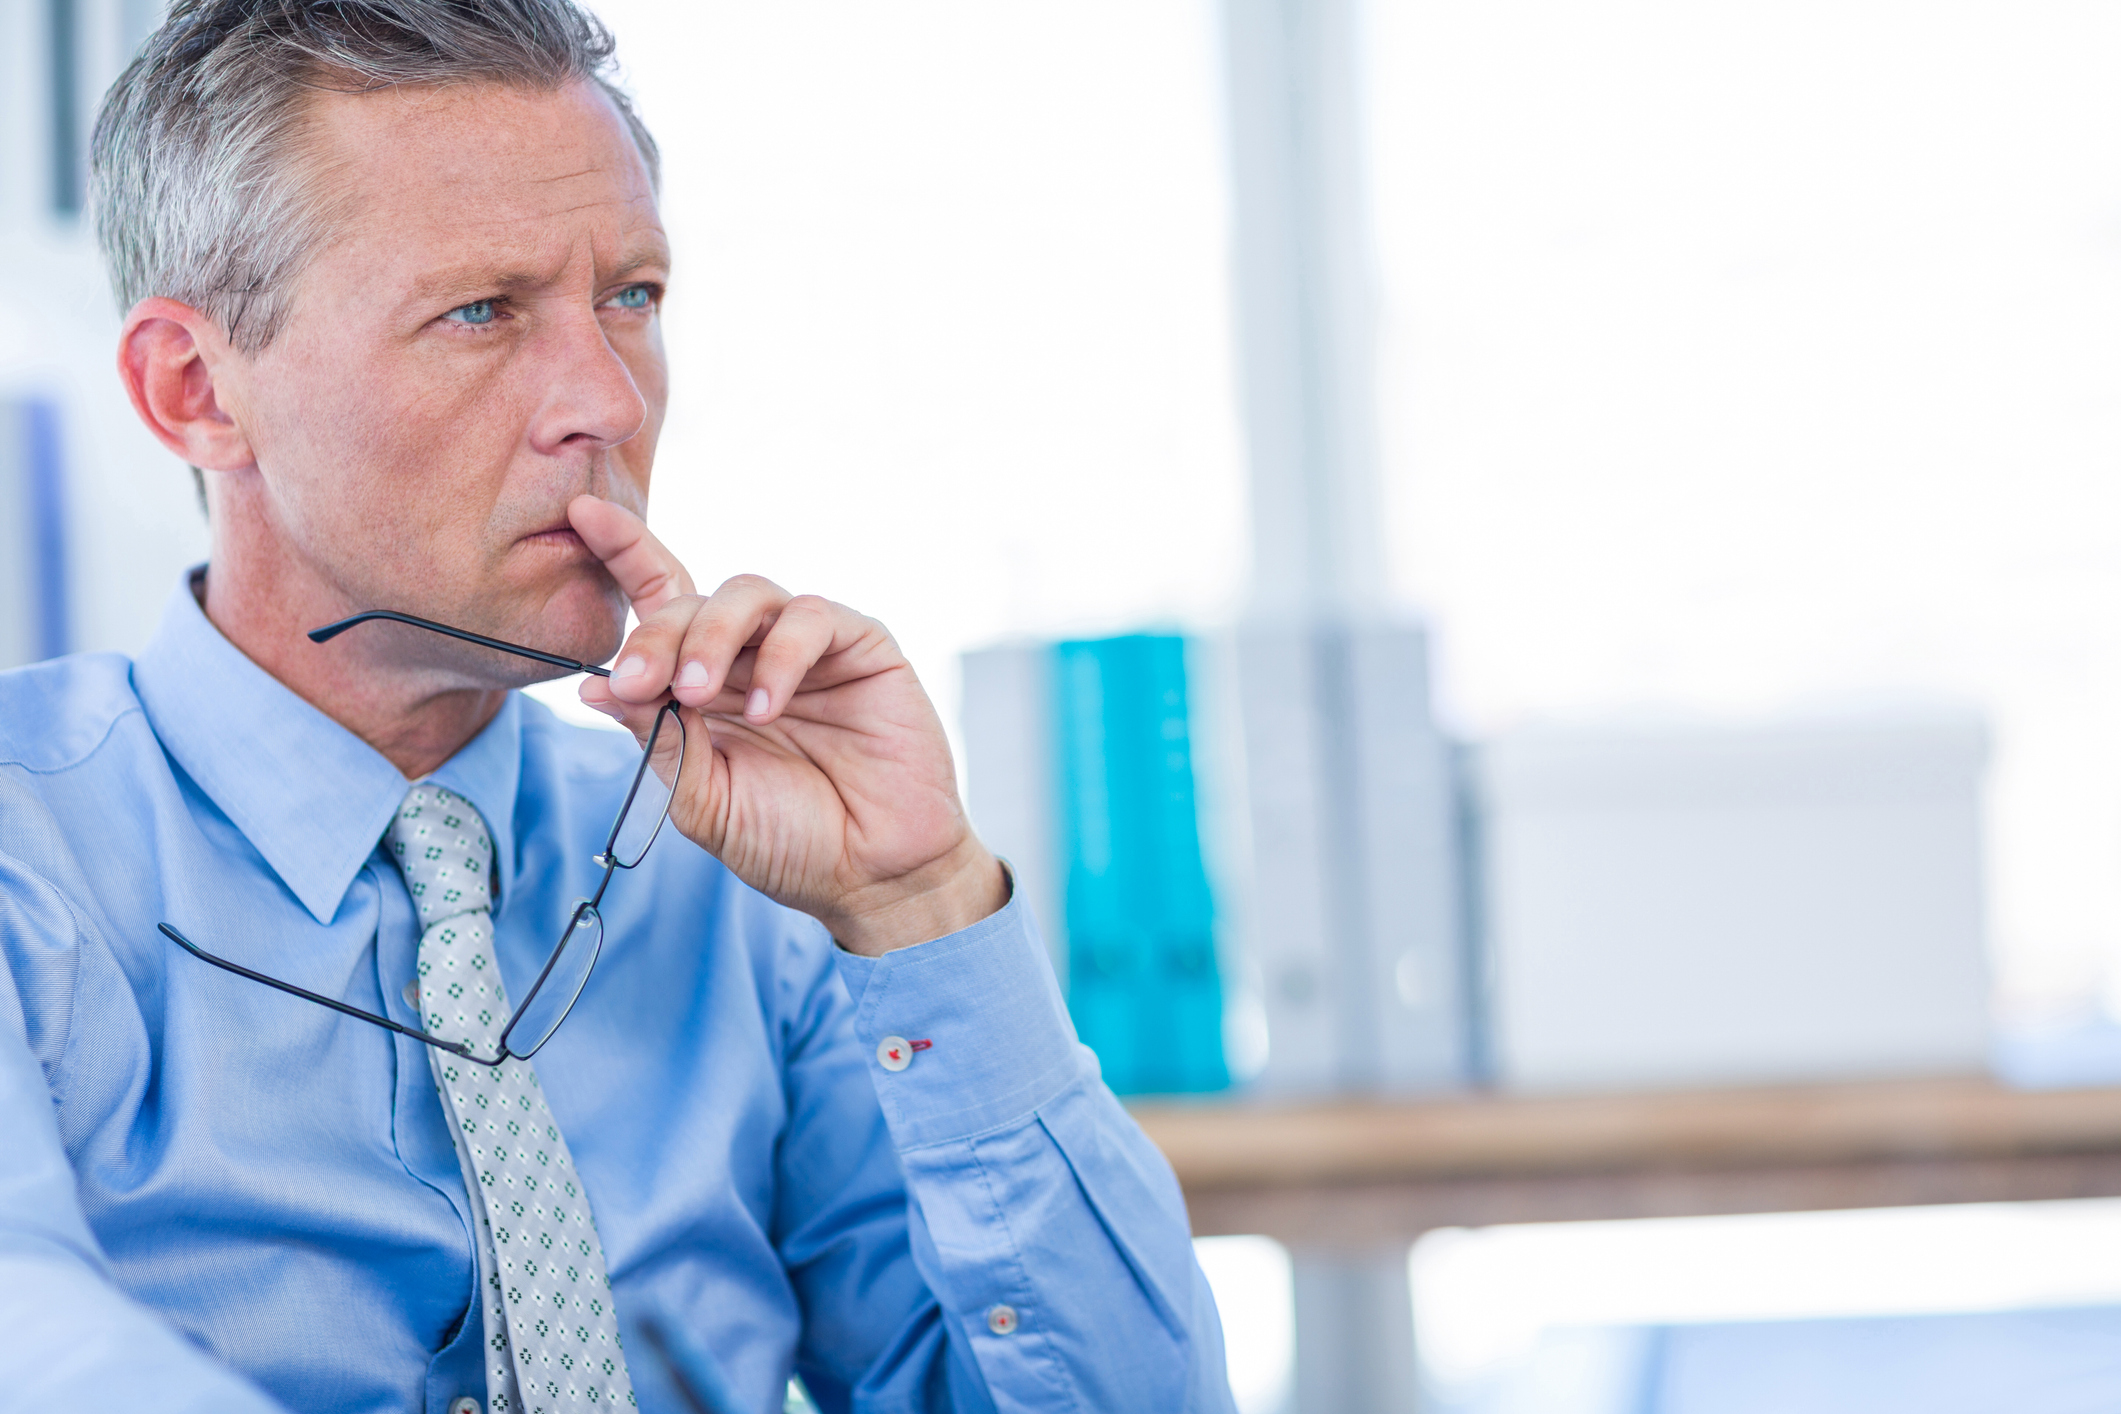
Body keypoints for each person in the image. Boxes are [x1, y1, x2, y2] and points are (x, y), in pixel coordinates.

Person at [0, 2, 1237, 1410]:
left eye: (630, 297)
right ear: (194, 390)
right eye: (479, 311)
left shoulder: (738, 875)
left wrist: (919, 902)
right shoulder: (30, 860)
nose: (603, 399)